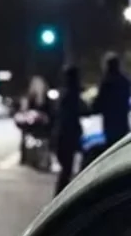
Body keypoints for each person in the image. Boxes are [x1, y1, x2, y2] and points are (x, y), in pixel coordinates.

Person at [53, 65, 87, 195]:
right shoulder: (72, 95)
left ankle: (61, 195)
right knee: (67, 168)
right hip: (69, 135)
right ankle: (61, 196)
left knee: (66, 169)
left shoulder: (65, 94)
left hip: (64, 135)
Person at [92, 53, 130, 152]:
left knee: (112, 149)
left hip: (110, 122)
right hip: (122, 121)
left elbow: (99, 103)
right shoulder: (124, 81)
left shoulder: (106, 83)